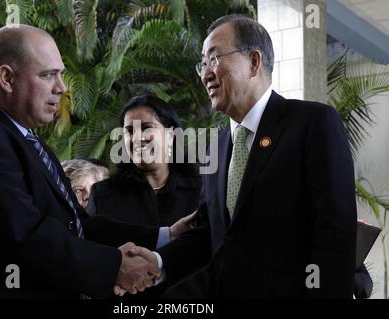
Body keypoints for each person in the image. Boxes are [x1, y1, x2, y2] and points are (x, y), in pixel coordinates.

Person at [124, 14, 357, 298]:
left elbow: (335, 233)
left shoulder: (312, 124)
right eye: (202, 63)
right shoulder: (215, 147)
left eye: (214, 59)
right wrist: (159, 263)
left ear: (254, 62)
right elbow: (211, 235)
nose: (205, 73)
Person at [0, 24, 163, 298]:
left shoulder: (23, 138)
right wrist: (115, 266)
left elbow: (77, 224)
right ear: (7, 78)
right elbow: (24, 236)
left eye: (61, 75)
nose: (61, 88)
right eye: (48, 75)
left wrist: (163, 236)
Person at [88, 95, 209, 298]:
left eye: (146, 128)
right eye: (129, 131)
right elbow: (95, 259)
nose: (137, 138)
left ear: (171, 135)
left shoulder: (203, 188)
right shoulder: (103, 195)